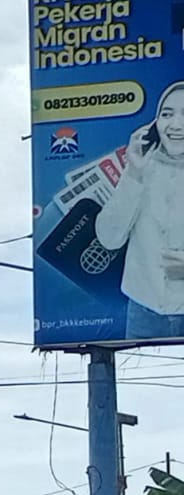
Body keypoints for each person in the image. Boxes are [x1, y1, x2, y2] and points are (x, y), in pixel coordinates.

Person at [94, 81, 184, 339]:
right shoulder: (143, 167)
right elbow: (109, 239)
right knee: (141, 381)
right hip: (143, 313)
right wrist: (134, 173)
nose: (176, 125)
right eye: (167, 114)